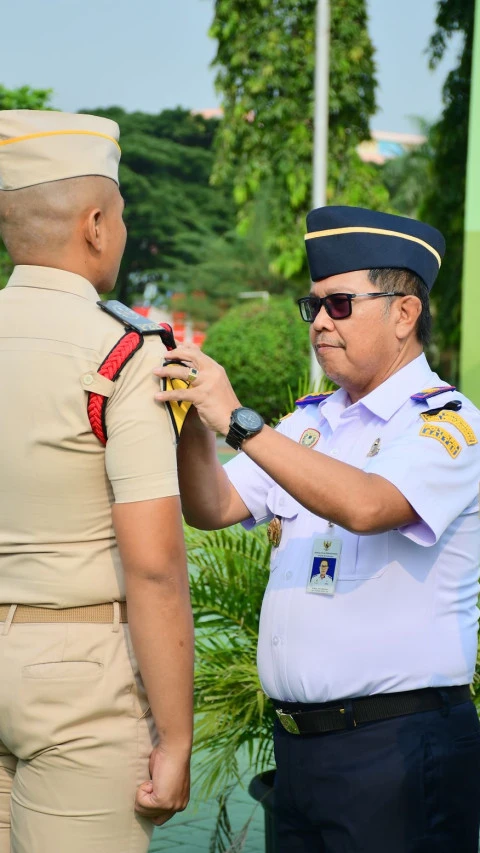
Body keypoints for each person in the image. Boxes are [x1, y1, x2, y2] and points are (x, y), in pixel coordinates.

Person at [155, 206, 480, 853]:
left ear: (404, 313)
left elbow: (367, 503)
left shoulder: (446, 423)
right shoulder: (310, 423)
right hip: (302, 752)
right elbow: (212, 504)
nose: (321, 322)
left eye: (338, 303)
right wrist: (195, 420)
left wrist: (240, 421)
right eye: (314, 307)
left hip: (396, 749)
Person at [0, 110, 194, 853]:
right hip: (77, 675)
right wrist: (175, 737)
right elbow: (153, 566)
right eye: (117, 211)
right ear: (93, 225)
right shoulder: (123, 354)